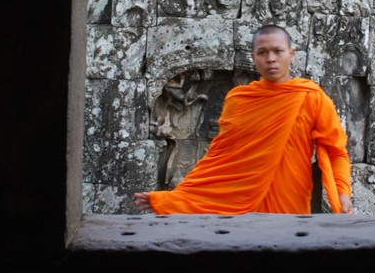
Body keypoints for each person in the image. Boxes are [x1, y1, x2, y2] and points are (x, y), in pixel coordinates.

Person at [134, 24, 354, 215]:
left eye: (278, 51)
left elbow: (336, 152)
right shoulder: (239, 99)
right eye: (262, 52)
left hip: (289, 202)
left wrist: (343, 194)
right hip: (238, 205)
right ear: (253, 57)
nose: (271, 59)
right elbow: (220, 156)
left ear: (292, 54)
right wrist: (175, 199)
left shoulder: (312, 97)